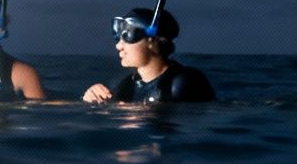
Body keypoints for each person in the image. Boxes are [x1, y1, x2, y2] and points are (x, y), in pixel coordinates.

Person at [82, 7, 216, 103]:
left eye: (128, 36)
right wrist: (91, 98)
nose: (118, 46)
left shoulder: (185, 81)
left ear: (153, 42)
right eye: (119, 38)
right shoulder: (129, 85)